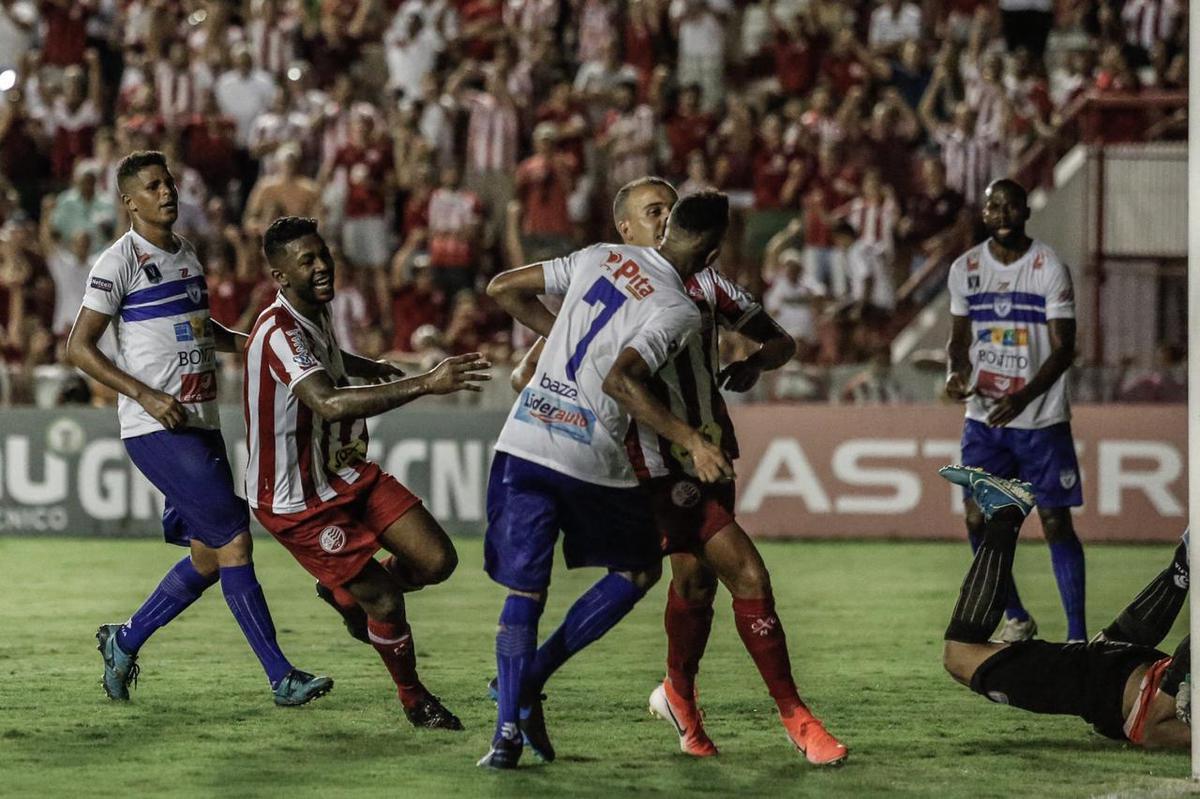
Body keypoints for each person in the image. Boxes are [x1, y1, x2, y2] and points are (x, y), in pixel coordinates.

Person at [511, 177, 846, 765]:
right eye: (654, 209)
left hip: (710, 450)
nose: (665, 218)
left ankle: (675, 699)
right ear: (628, 227)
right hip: (656, 462)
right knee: (746, 574)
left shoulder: (709, 286)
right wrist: (561, 355)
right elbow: (532, 365)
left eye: (669, 208)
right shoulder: (613, 276)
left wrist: (753, 364)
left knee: (692, 585)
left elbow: (780, 342)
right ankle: (796, 717)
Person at [477, 191, 734, 769]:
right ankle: (531, 678)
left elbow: (502, 287)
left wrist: (560, 332)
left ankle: (504, 738)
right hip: (590, 456)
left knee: (525, 593)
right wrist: (692, 440)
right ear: (712, 252)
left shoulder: (597, 255)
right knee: (640, 569)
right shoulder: (678, 307)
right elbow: (622, 383)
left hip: (522, 441)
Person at [65, 151, 331, 706]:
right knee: (234, 538)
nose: (167, 193)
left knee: (210, 556)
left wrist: (253, 344)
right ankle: (280, 677)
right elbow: (79, 347)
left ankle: (124, 639)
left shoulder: (185, 254)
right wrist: (145, 394)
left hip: (200, 421)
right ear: (129, 201)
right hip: (155, 426)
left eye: (169, 183)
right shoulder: (118, 262)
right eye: (153, 186)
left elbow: (198, 326)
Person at [245, 216, 490, 729]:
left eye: (322, 255)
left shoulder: (314, 312)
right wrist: (426, 383)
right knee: (383, 598)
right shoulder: (278, 331)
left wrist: (360, 365)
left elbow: (327, 367)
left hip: (344, 470)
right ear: (280, 277)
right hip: (298, 499)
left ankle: (343, 589)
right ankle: (414, 699)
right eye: (305, 261)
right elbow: (327, 403)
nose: (320, 266)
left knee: (437, 560)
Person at [938, 465, 1189, 749]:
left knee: (1107, 650)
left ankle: (1184, 565)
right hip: (1111, 684)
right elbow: (1154, 731)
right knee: (961, 655)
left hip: (1125, 675)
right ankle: (1004, 515)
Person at [945, 178, 1086, 643]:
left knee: (1053, 520)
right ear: (984, 215)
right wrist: (954, 372)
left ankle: (1077, 637)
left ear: (1026, 212)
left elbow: (1065, 348)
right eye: (993, 208)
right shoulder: (965, 268)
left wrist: (1023, 397)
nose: (1001, 215)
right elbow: (960, 339)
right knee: (975, 517)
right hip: (985, 420)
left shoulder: (1049, 267)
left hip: (1040, 419)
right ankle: (1017, 617)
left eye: (1010, 207)